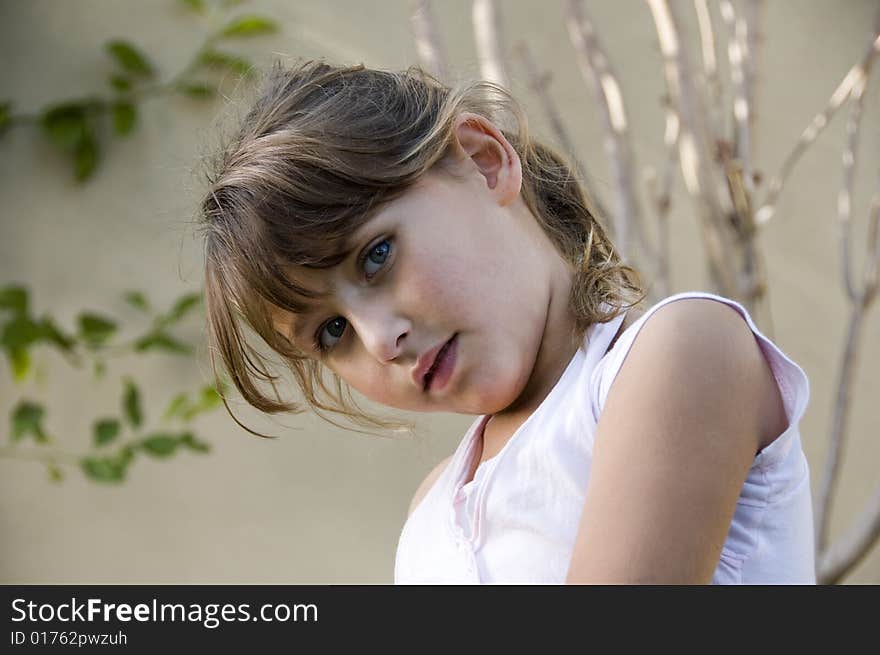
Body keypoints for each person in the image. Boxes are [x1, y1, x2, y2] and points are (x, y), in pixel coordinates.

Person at [197, 59, 815, 584]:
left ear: (484, 161)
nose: (381, 341)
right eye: (333, 333)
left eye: (376, 256)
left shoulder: (674, 353)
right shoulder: (430, 514)